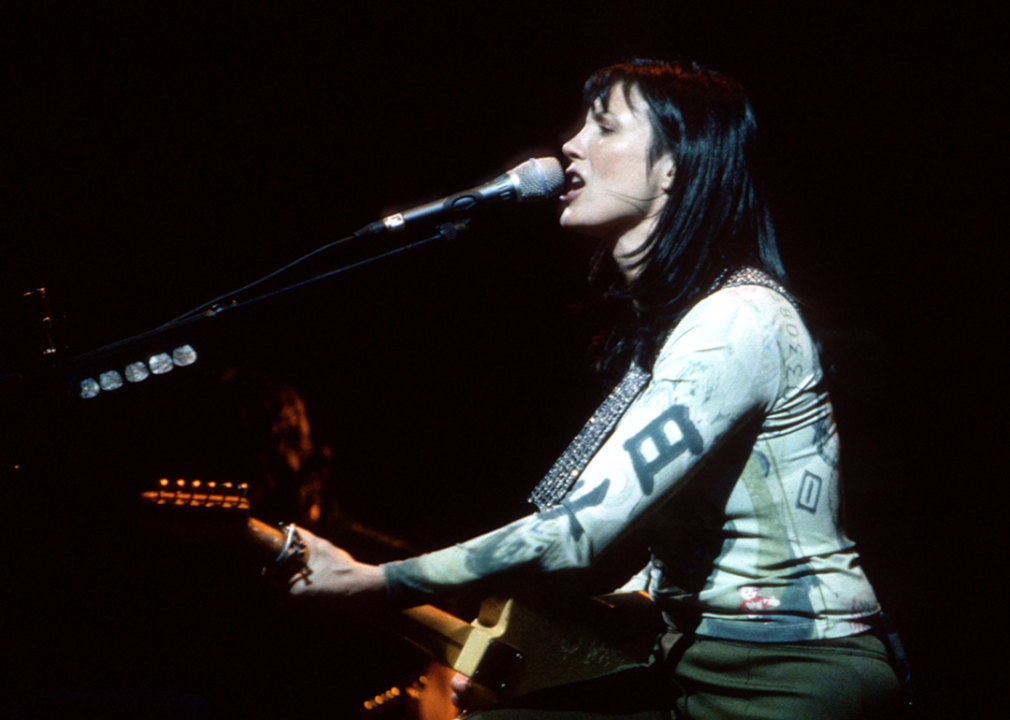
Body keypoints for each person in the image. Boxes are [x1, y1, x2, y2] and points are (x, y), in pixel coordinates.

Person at [288, 59, 903, 719]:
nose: (571, 145)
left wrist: (372, 582)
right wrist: (547, 653)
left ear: (675, 166)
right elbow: (675, 558)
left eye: (603, 126)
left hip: (790, 679)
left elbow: (574, 531)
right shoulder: (677, 331)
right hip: (693, 660)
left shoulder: (737, 322)